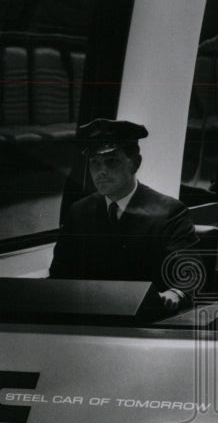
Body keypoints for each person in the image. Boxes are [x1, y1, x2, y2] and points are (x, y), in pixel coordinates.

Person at [49, 118, 200, 310]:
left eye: (112, 161)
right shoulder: (79, 213)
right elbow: (59, 276)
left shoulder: (170, 212)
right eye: (95, 163)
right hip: (89, 319)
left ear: (135, 164)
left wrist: (174, 294)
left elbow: (188, 275)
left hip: (145, 324)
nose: (101, 171)